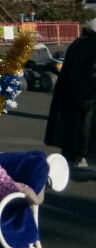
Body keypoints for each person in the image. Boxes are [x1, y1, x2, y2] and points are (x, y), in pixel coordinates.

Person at [45, 18, 96, 168]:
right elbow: (87, 78)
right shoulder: (90, 46)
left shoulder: (80, 43)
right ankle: (79, 160)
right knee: (81, 136)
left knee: (71, 137)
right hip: (84, 103)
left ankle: (73, 160)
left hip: (71, 100)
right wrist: (87, 100)